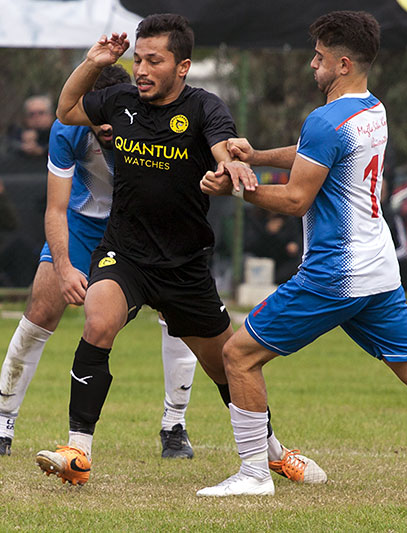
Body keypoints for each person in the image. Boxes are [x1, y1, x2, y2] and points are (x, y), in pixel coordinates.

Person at [197, 11, 407, 497]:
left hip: (334, 274)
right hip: (379, 269)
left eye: (319, 59)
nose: (311, 65)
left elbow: (297, 198)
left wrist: (237, 190)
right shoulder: (372, 110)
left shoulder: (326, 119)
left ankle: (255, 475)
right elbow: (312, 151)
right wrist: (255, 157)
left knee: (238, 355)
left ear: (343, 64)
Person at [35, 13, 324, 487]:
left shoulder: (205, 107)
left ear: (183, 66)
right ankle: (77, 451)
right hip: (124, 253)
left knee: (228, 365)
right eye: (137, 59)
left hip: (185, 266)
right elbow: (66, 110)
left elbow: (223, 147)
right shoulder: (119, 98)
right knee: (99, 318)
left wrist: (228, 170)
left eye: (154, 60)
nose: (142, 69)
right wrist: (94, 62)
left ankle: (272, 450)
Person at [0, 66, 200, 460]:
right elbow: (56, 208)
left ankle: (174, 426)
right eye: (96, 115)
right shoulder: (67, 129)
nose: (105, 124)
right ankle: (0, 428)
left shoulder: (152, 126)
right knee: (40, 310)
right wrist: (63, 266)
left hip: (143, 225)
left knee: (176, 313)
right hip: (80, 224)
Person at [244, 207, 302, 283]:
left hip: (282, 259)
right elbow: (249, 244)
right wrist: (267, 231)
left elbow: (295, 239)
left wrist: (293, 245)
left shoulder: (289, 219)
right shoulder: (254, 218)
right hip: (260, 257)